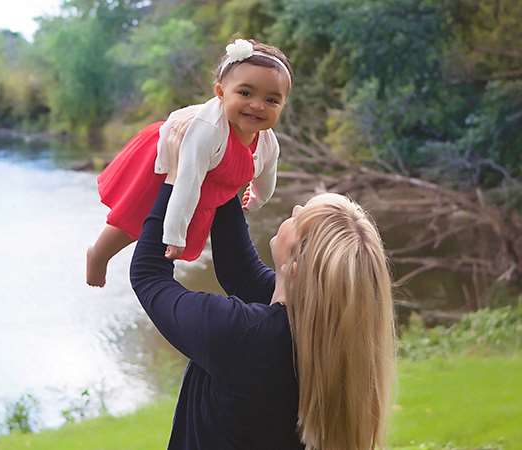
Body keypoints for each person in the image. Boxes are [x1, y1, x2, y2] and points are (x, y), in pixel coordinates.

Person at [129, 131, 396, 449]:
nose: (294, 210)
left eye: (300, 219)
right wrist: (217, 156)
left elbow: (148, 276)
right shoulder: (327, 330)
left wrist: (176, 176)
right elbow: (238, 271)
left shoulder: (241, 333)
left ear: (295, 266)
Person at [86, 38, 292, 287]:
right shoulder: (209, 130)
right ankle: (98, 254)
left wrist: (258, 198)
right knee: (137, 215)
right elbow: (186, 182)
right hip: (172, 156)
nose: (258, 105)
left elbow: (267, 173)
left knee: (192, 213)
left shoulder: (267, 141)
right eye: (245, 93)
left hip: (208, 171)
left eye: (272, 100)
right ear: (220, 93)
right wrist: (174, 235)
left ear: (282, 105)